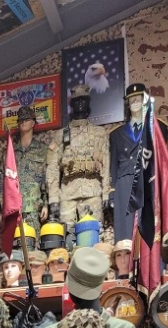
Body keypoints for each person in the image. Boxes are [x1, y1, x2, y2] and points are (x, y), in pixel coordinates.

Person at [109, 83, 168, 242]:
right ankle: (126, 258)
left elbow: (164, 160)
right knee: (125, 231)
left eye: (139, 98)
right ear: (127, 104)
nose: (135, 102)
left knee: (151, 228)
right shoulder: (116, 134)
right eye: (131, 99)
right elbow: (113, 166)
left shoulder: (159, 127)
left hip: (149, 180)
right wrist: (113, 192)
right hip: (125, 184)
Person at [46, 85, 110, 229]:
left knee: (93, 235)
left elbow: (106, 164)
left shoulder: (100, 133)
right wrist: (53, 199)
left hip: (93, 193)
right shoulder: (61, 135)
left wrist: (106, 193)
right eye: (76, 100)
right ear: (71, 104)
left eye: (83, 99)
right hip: (67, 194)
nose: (80, 103)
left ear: (88, 102)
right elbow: (52, 168)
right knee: (66, 236)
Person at [14, 105, 49, 242]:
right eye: (21, 120)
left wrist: (46, 204)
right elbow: (2, 182)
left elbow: (47, 178)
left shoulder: (42, 150)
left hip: (34, 208)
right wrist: (3, 208)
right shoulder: (10, 153)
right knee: (15, 248)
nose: (23, 122)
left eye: (26, 119)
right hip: (14, 209)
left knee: (33, 247)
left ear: (33, 123)